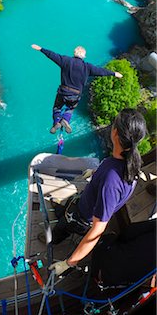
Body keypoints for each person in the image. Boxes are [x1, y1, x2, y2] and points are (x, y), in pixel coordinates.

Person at [45, 108, 147, 276]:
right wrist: (96, 173)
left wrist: (68, 263)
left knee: (63, 226)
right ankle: (61, 214)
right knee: (67, 211)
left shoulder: (111, 180)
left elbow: (97, 231)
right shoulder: (130, 162)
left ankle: (53, 240)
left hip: (82, 217)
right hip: (87, 202)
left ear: (115, 132)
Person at [31, 44, 123, 133]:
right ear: (84, 56)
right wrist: (114, 73)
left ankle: (56, 122)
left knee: (57, 108)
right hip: (75, 95)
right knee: (70, 108)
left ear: (74, 53)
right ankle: (65, 120)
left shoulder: (65, 60)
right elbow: (101, 71)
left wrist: (41, 49)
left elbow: (53, 55)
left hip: (63, 92)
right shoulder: (88, 67)